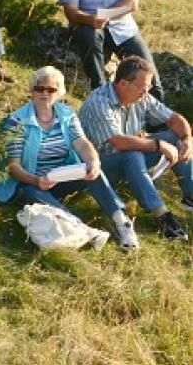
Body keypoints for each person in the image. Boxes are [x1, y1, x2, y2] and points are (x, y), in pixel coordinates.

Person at [0, 66, 139, 248]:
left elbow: (82, 143)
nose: (45, 93)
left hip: (62, 176)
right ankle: (82, 229)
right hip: (29, 181)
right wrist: (36, 180)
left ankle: (122, 222)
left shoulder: (67, 115)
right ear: (32, 90)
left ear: (59, 93)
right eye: (39, 88)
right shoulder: (16, 121)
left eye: (51, 89)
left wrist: (93, 161)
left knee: (93, 170)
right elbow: (13, 167)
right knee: (31, 192)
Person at [79, 56, 193, 241]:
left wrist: (187, 139)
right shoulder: (99, 102)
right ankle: (162, 216)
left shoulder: (143, 97)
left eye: (148, 86)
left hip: (130, 160)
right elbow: (119, 142)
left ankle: (190, 196)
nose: (146, 92)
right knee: (131, 154)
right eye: (142, 87)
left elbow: (174, 119)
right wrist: (158, 145)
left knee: (174, 138)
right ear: (123, 83)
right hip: (98, 171)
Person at [59, 0, 163, 100]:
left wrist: (102, 16)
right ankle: (101, 99)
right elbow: (71, 11)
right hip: (89, 26)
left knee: (151, 79)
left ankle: (159, 120)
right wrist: (89, 19)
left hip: (123, 27)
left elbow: (132, 3)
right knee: (89, 36)